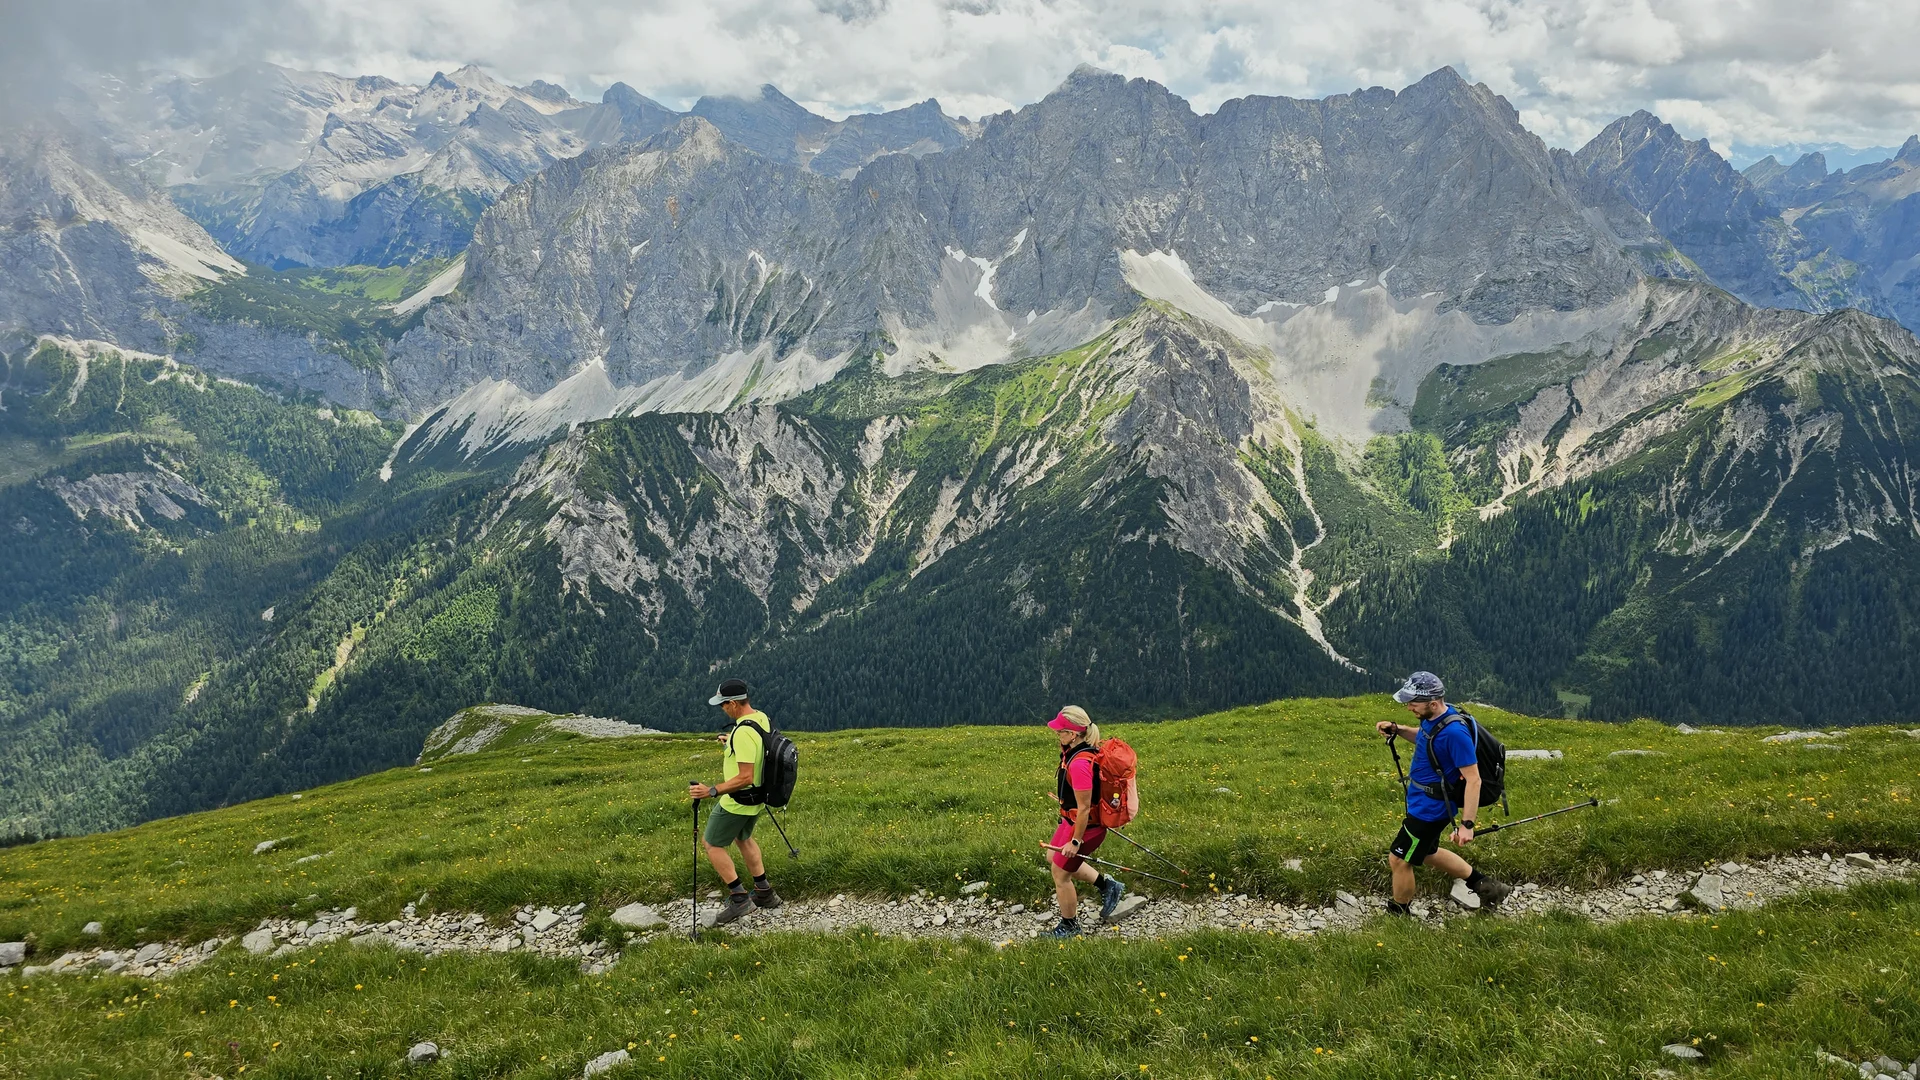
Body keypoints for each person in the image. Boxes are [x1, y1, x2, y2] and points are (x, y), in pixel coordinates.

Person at [1375, 671, 1512, 915]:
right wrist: (1398, 729)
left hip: (1431, 809)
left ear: (1433, 702)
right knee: (1427, 853)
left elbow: (1474, 780)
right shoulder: (1435, 719)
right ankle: (1487, 886)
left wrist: (1467, 825)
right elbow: (1427, 739)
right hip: (1422, 800)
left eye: (1413, 703)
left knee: (1399, 859)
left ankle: (1398, 914)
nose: (1409, 707)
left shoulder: (1455, 733)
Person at [687, 679, 782, 925]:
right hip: (758, 798)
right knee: (743, 838)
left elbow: (745, 777)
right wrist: (731, 740)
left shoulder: (743, 732)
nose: (722, 709)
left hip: (737, 802)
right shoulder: (760, 718)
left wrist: (712, 790)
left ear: (732, 704)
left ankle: (739, 899)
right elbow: (757, 746)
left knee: (712, 844)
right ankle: (764, 892)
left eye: (722, 705)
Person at [1043, 705, 1127, 938]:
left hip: (1086, 828)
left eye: (1061, 731)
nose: (1057, 734)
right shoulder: (1075, 751)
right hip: (1071, 822)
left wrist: (1076, 843)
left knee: (1061, 873)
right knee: (1052, 856)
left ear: (1073, 734)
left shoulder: (1079, 764)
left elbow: (1083, 809)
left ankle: (1069, 926)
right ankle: (1108, 886)